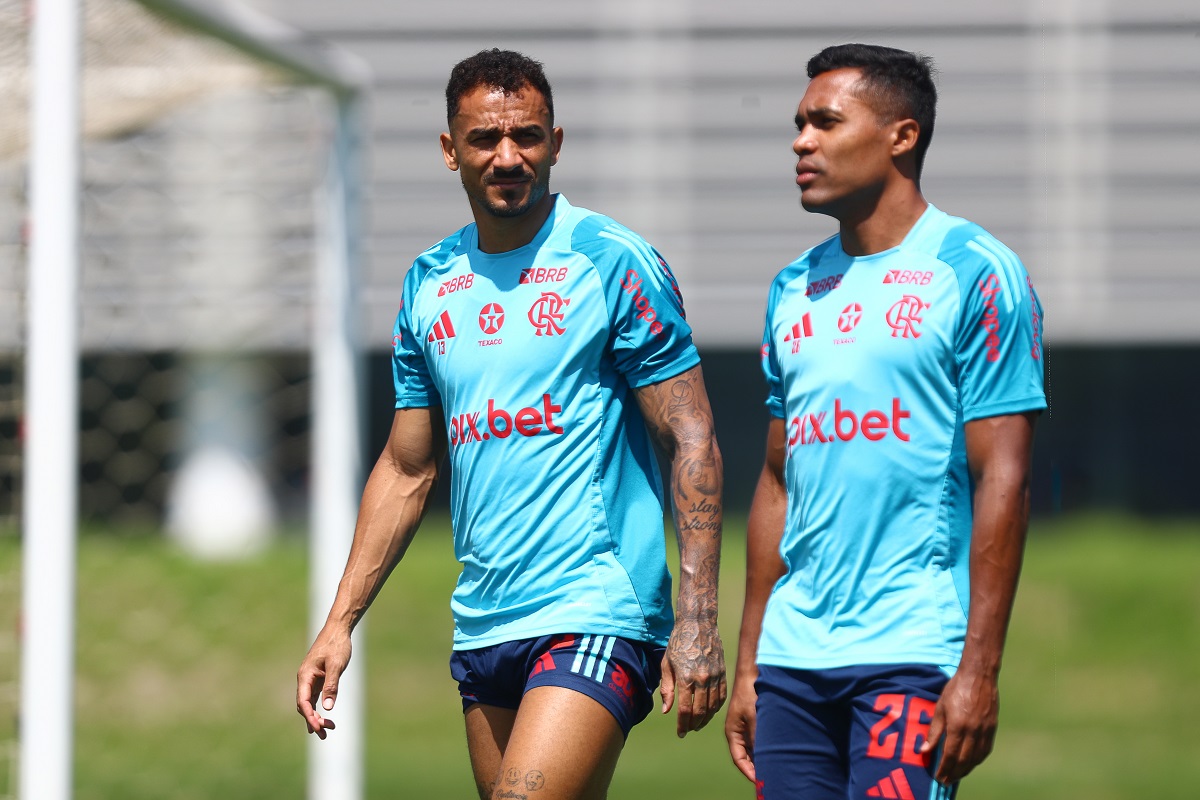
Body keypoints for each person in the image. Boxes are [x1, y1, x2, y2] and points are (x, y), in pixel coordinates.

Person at [297, 48, 726, 800]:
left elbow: (689, 437)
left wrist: (697, 619)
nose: (507, 157)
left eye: (526, 136)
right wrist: (339, 623)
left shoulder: (610, 261)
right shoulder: (429, 282)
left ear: (555, 143)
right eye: (484, 139)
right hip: (485, 622)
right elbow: (406, 468)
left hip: (596, 607)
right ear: (449, 150)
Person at [724, 43, 1046, 800]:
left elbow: (1003, 476)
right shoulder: (791, 287)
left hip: (914, 653)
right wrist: (750, 664)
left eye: (826, 122)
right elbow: (777, 480)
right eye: (799, 124)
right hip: (792, 664)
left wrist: (979, 670)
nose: (801, 142)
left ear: (902, 136)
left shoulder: (974, 271)